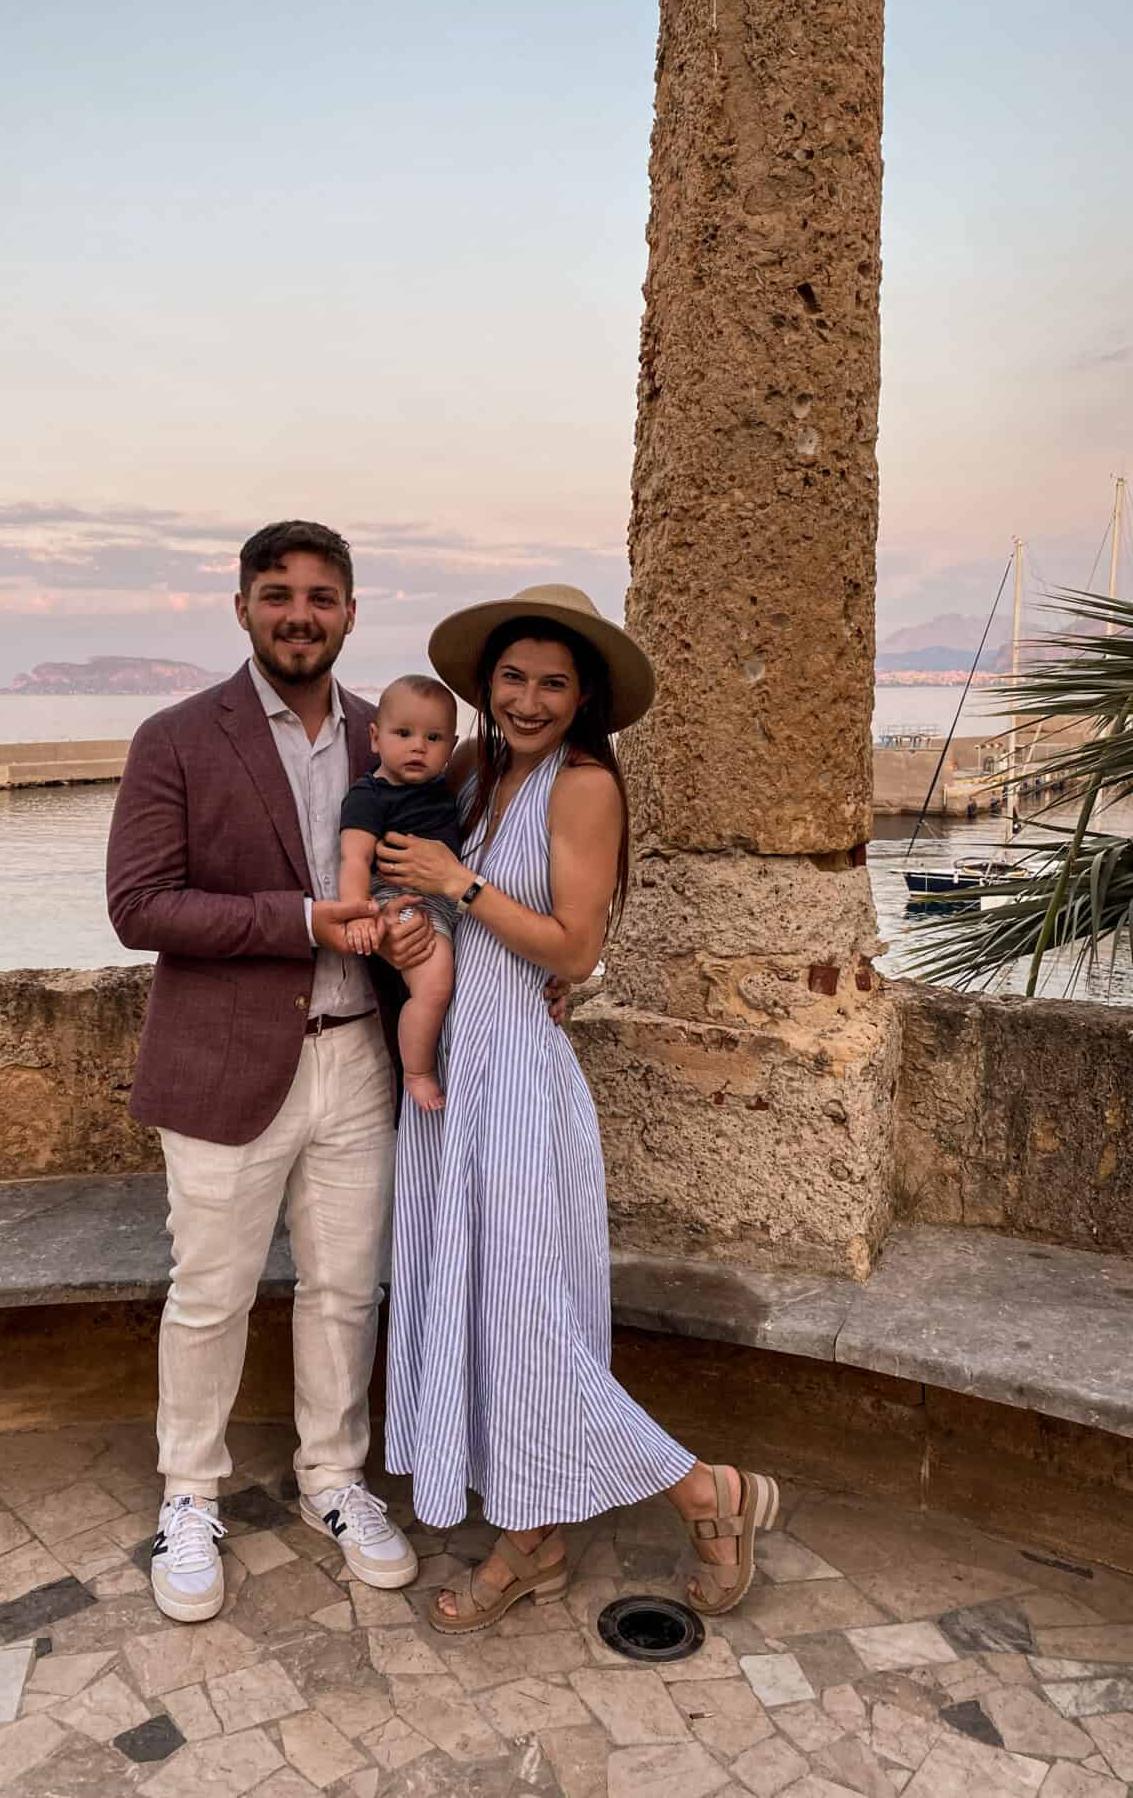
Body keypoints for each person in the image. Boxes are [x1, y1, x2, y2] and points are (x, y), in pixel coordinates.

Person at [374, 583, 781, 1633]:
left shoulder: (584, 781)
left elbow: (576, 948)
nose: (529, 697)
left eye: (554, 681)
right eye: (513, 677)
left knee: (532, 1322)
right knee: (490, 1314)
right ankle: (532, 1537)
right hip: (457, 1075)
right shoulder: (478, 772)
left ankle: (708, 1492)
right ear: (485, 685)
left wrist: (457, 889)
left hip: (515, 1083)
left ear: (584, 693)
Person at [105, 520, 432, 1623]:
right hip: (226, 1067)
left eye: (322, 596)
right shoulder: (177, 737)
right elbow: (138, 906)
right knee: (211, 1295)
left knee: (347, 1288)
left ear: (351, 611)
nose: (301, 613)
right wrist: (299, 920)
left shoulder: (385, 737)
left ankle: (332, 1479)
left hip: (361, 1064)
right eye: (278, 593)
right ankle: (188, 1494)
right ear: (241, 606)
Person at [338, 675, 463, 1111]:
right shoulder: (369, 795)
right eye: (404, 734)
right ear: (375, 737)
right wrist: (359, 915)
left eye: (433, 738)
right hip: (397, 898)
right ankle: (417, 1069)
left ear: (451, 746)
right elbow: (353, 860)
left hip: (448, 897)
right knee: (434, 982)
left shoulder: (442, 789)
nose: (418, 747)